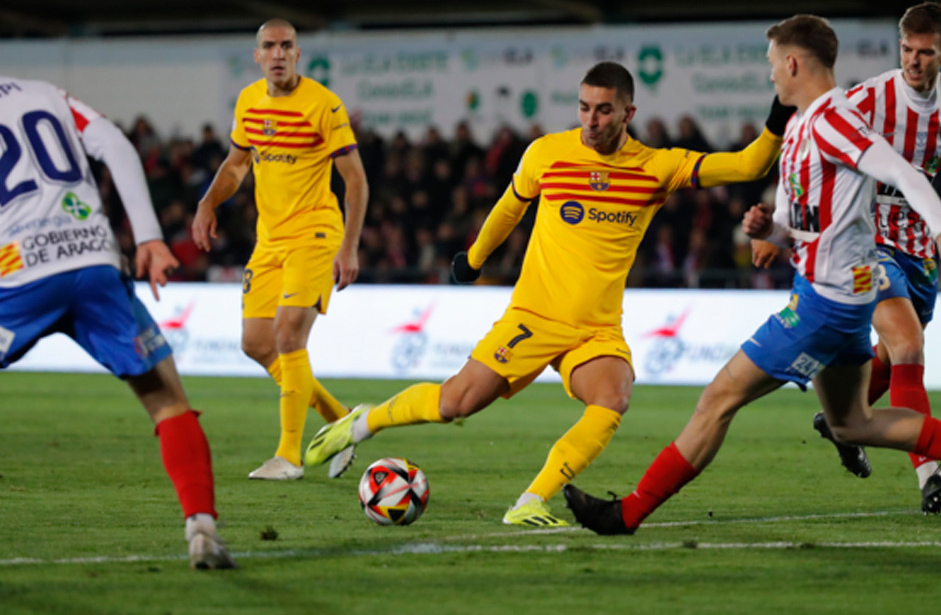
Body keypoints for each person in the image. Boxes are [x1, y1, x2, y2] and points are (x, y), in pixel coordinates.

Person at [562, 15, 941, 535]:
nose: (771, 74)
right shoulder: (802, 126)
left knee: (717, 400)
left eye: (773, 64)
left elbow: (903, 171)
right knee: (852, 422)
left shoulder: (835, 119)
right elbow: (797, 223)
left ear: (793, 63)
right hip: (844, 299)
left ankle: (627, 514)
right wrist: (768, 229)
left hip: (823, 305)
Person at [304, 61, 795, 527]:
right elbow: (507, 209)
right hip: (535, 316)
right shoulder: (547, 153)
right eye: (584, 108)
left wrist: (780, 107)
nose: (591, 120)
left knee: (613, 397)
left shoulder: (656, 167)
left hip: (597, 327)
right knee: (456, 403)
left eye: (604, 110)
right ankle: (363, 421)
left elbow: (750, 164)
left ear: (629, 113)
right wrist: (473, 259)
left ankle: (529, 500)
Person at [0, 0, 234, 569]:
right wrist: (151, 237)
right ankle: (203, 530)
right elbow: (116, 145)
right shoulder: (43, 94)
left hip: (17, 274)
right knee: (167, 403)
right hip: (93, 259)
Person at [751, 2, 941, 514]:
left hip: (919, 241)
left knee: (895, 353)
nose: (914, 61)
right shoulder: (868, 96)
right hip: (871, 233)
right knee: (907, 343)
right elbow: (811, 143)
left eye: (925, 53)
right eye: (907, 49)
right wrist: (782, 221)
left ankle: (841, 421)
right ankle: (929, 472)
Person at [192, 19, 370, 480]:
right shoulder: (249, 101)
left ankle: (289, 456)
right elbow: (235, 165)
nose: (277, 53)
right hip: (268, 239)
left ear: (297, 53)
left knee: (289, 335)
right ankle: (341, 420)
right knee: (256, 343)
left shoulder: (324, 105)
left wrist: (349, 248)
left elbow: (355, 181)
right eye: (268, 46)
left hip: (315, 232)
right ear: (257, 55)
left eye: (285, 46)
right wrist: (208, 202)